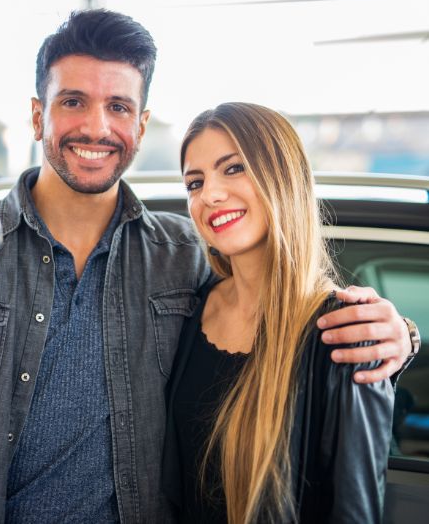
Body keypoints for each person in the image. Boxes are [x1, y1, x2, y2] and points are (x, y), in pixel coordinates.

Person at [0, 10, 415, 523]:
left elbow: (281, 306)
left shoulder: (185, 255)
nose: (96, 128)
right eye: (72, 101)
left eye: (118, 107)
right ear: (37, 115)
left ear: (141, 126)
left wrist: (399, 336)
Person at [162, 102, 396, 523]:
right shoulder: (187, 308)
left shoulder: (345, 333)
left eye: (233, 168)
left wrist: (406, 336)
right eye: (194, 182)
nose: (209, 194)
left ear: (281, 177)